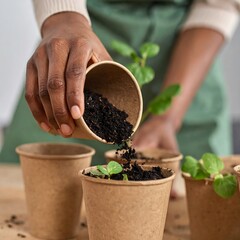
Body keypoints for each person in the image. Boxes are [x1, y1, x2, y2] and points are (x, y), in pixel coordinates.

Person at [0, 0, 239, 168]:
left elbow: (219, 4)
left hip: (190, 57)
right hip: (79, 42)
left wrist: (168, 116)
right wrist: (63, 19)